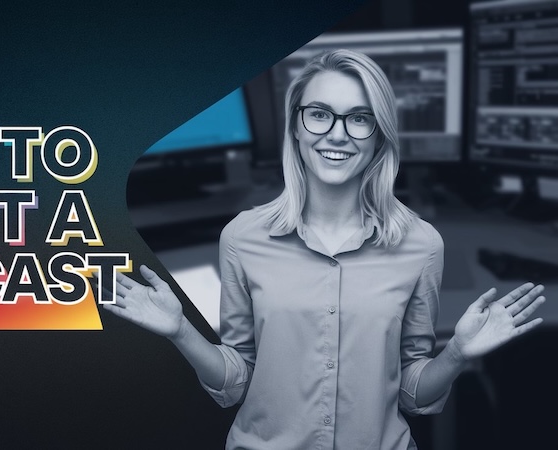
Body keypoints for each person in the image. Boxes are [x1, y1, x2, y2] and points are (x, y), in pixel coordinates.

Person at [105, 49, 546, 449]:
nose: (337, 134)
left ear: (378, 135)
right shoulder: (243, 236)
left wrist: (455, 355)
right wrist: (181, 330)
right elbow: (237, 382)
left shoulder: (422, 245)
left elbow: (412, 393)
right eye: (319, 114)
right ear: (296, 126)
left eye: (359, 118)